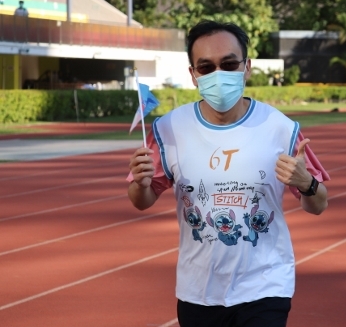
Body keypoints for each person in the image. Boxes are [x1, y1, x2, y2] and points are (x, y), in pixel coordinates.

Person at [127, 20, 329, 327]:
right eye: (206, 67)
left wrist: (307, 184)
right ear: (193, 74)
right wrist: (141, 185)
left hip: (265, 285)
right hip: (199, 290)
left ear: (247, 68)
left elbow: (319, 204)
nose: (218, 74)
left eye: (229, 64)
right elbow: (141, 200)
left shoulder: (280, 127)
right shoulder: (168, 129)